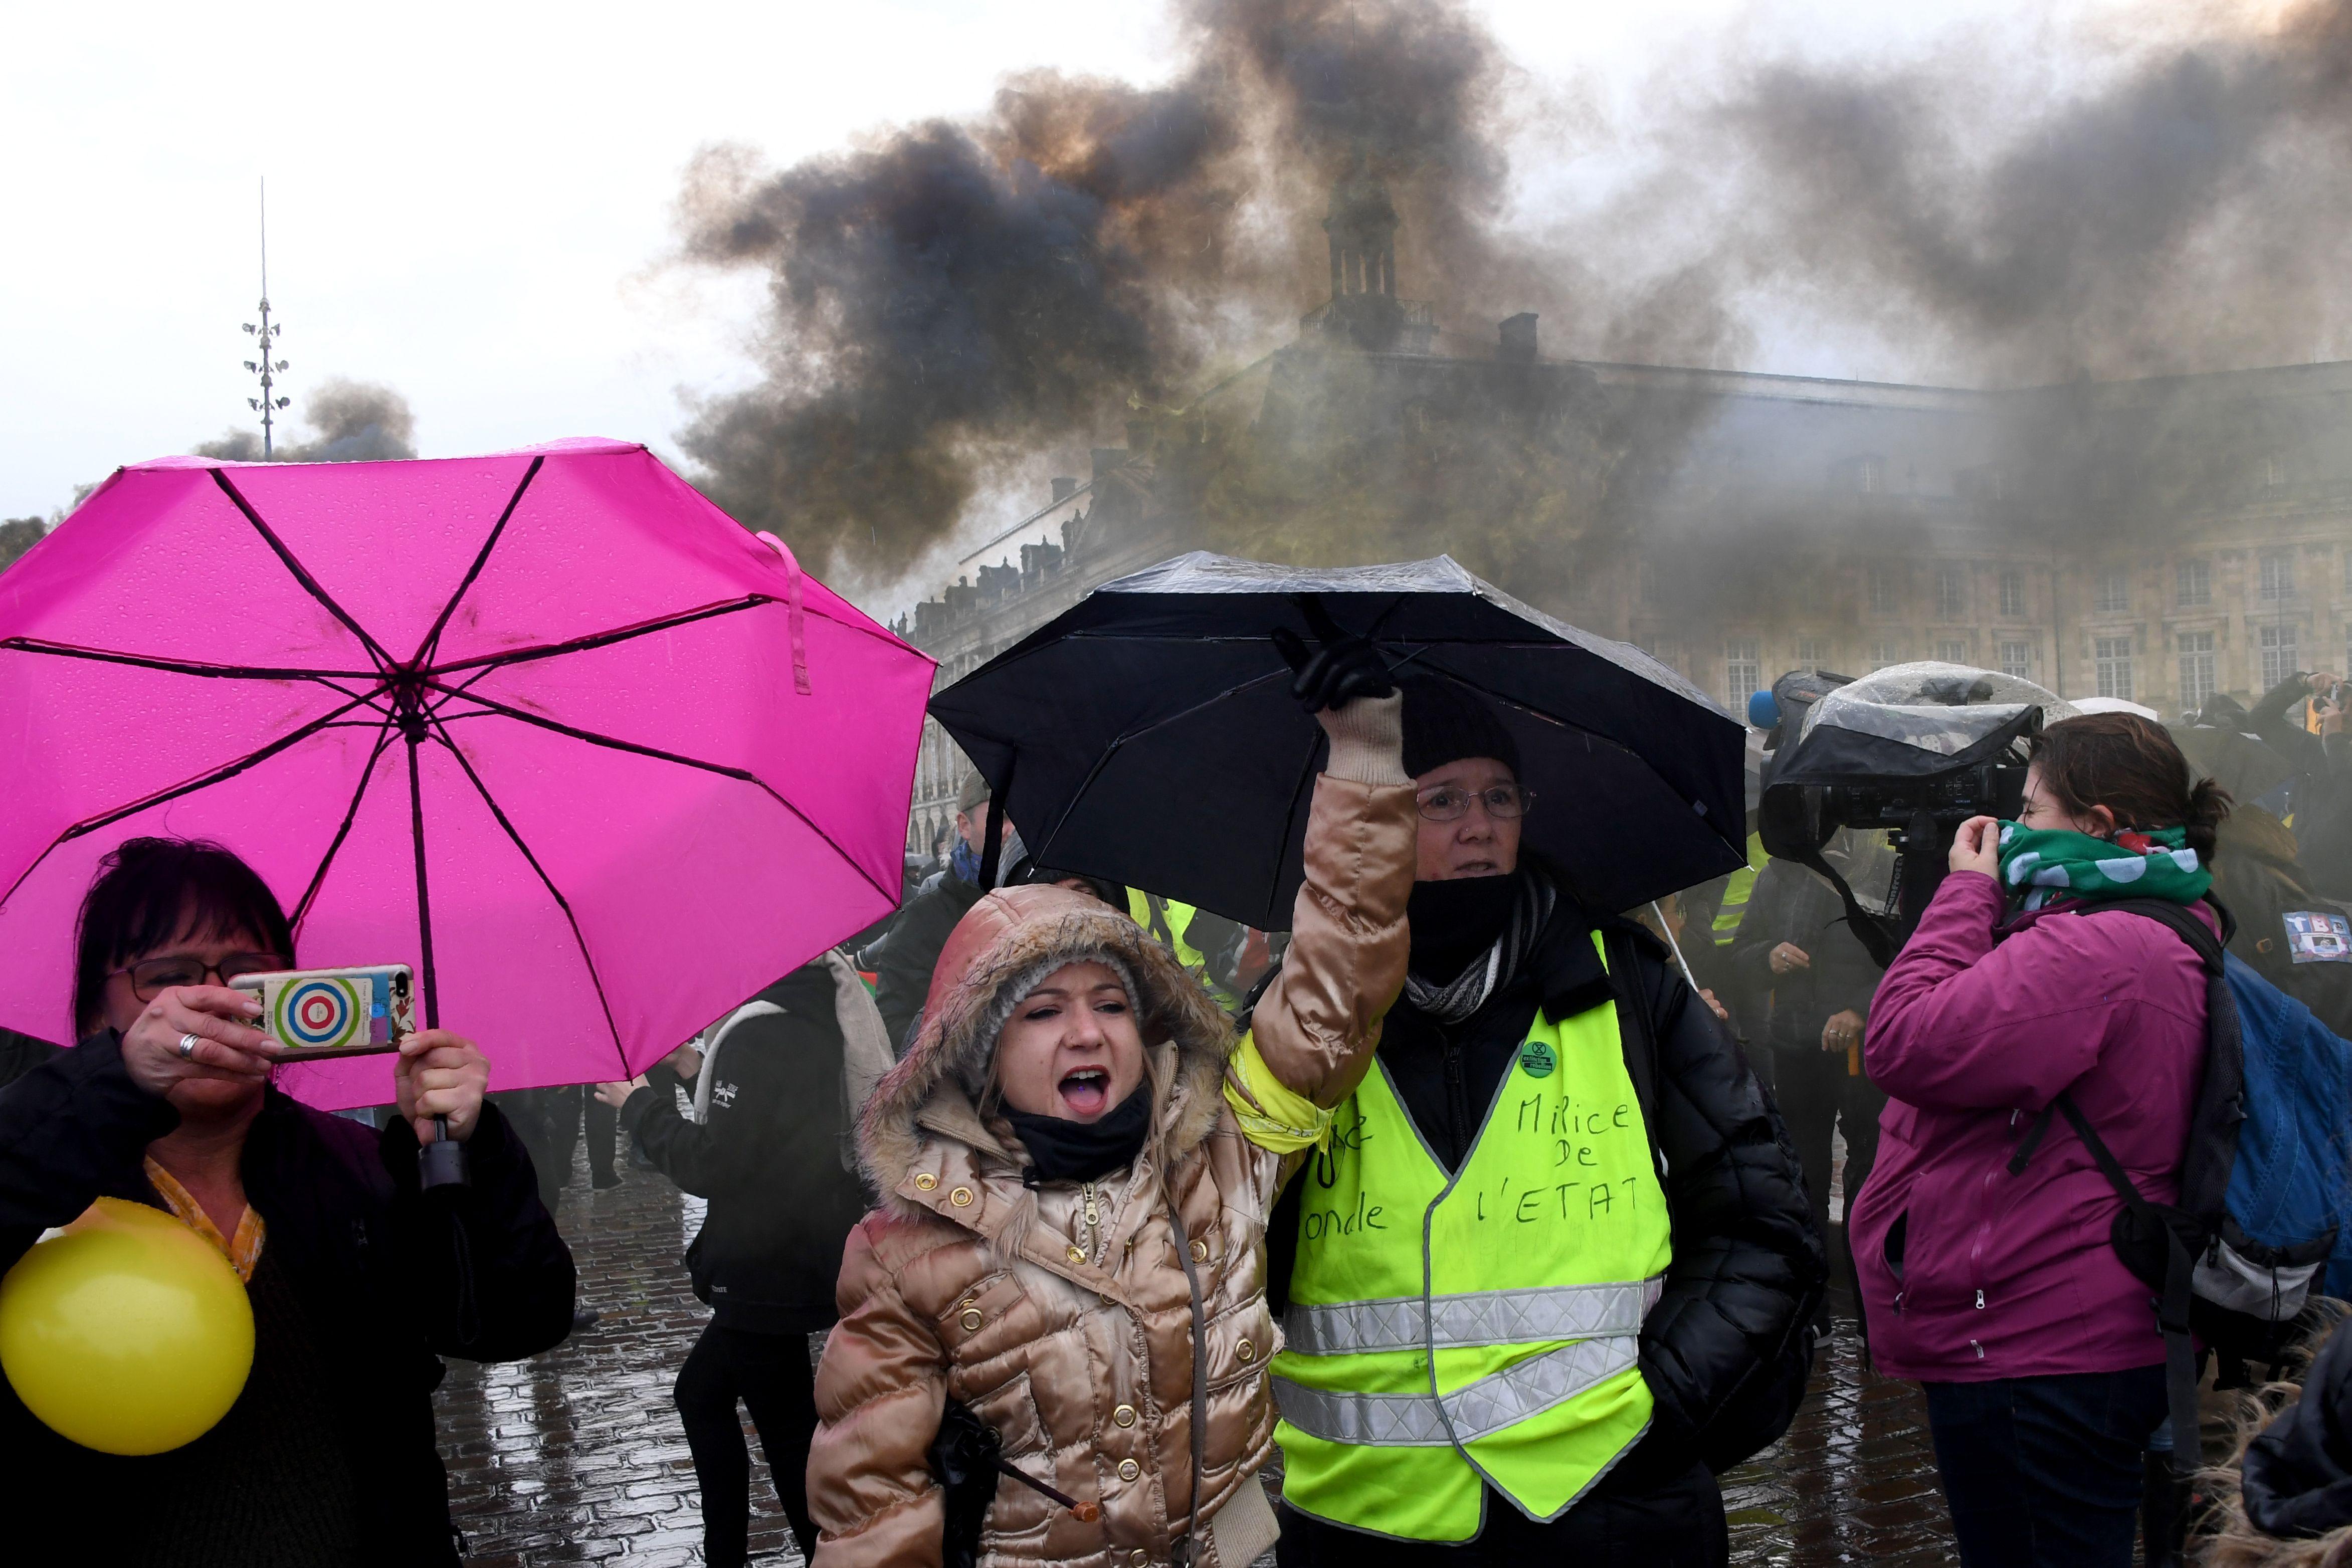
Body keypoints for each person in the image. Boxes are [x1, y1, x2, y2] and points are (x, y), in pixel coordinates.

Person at [805, 670, 1417, 1567]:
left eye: (1112, 1003)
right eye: (1042, 1011)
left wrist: (1363, 758)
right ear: (980, 1050)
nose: (1086, 1030)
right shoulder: (902, 1257)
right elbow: (872, 1525)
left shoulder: (1224, 1154)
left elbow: (1337, 991)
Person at [1270, 676, 1823, 1566]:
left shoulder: (1630, 983)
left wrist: (1665, 1402)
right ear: (1376, 819)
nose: (1479, 823)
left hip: (1614, 1512)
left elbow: (1761, 1219)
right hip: (1364, 1520)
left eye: (1499, 796)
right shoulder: (1295, 1020)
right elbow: (1224, 1245)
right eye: (1440, 798)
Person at [0, 836, 576, 1565]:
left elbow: (516, 1319)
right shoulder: (44, 1174)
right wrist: (108, 1089)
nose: (215, 1001)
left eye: (247, 974)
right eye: (168, 978)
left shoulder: (355, 1167)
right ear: (93, 1020)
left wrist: (463, 1150)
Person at [1851, 713, 2233, 1567]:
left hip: (2035, 1340)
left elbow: (1903, 1041)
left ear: (2096, 823)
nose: (2014, 830)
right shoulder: (2165, 915)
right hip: (2092, 1324)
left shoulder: (2093, 945)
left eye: (2033, 809)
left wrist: (1962, 895)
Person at [595, 951, 889, 1567]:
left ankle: (825, 1554)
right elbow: (769, 1114)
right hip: (787, 1248)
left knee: (786, 1435)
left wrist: (638, 1105)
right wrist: (690, 1064)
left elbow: (714, 1161)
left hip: (764, 1262)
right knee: (701, 1394)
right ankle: (726, 1552)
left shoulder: (760, 1029)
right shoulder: (805, 1007)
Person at [1730, 837, 1888, 1331]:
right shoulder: (1778, 872)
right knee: (1805, 1175)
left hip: (1859, 1052)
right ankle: (1814, 1314)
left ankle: (1876, 1312)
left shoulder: (1878, 865)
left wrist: (1860, 1010)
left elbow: (1907, 953)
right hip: (1795, 1045)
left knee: (1870, 1171)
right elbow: (1742, 952)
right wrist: (1766, 956)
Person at [875, 770, 1014, 1050]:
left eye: (1021, 818)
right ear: (964, 826)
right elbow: (894, 1027)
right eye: (1000, 818)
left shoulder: (1055, 897)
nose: (1012, 830)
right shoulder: (921, 921)